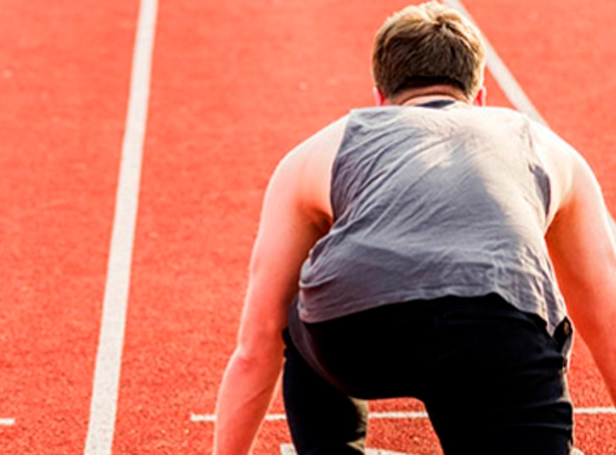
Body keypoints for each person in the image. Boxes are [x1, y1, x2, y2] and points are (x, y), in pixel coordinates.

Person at [212, 2, 616, 454]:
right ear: (480, 98)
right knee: (483, 356)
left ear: (379, 100)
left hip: (355, 334)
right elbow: (610, 322)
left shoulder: (320, 149)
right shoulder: (543, 144)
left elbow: (256, 343)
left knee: (294, 307)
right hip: (497, 333)